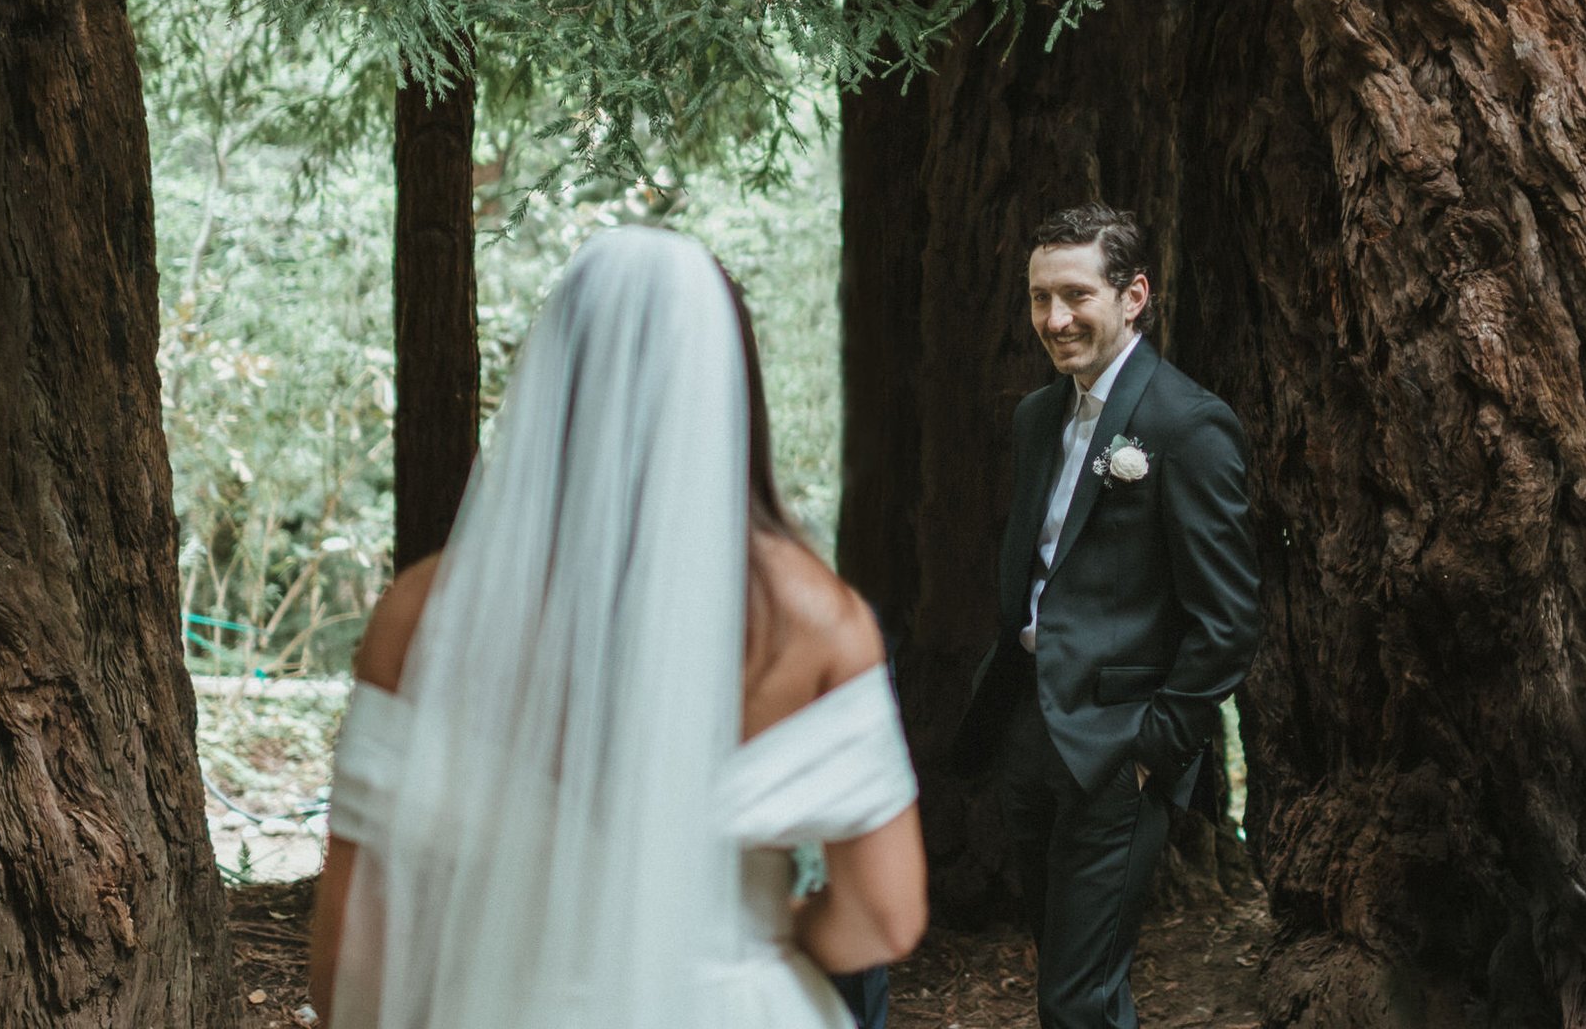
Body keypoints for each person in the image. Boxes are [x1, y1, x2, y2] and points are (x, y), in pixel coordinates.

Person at [307, 225, 926, 1029]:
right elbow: (886, 916)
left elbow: (353, 955)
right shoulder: (817, 620)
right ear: (729, 390)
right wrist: (780, 930)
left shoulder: (424, 612)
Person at [951, 202, 1261, 1029]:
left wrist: (1155, 748)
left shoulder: (1185, 424)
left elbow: (1228, 617)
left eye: (1076, 296)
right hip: (1029, 727)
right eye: (1039, 298)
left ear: (1133, 296)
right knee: (1068, 976)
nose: (1054, 319)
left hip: (1119, 747)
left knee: (1076, 999)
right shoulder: (1035, 417)